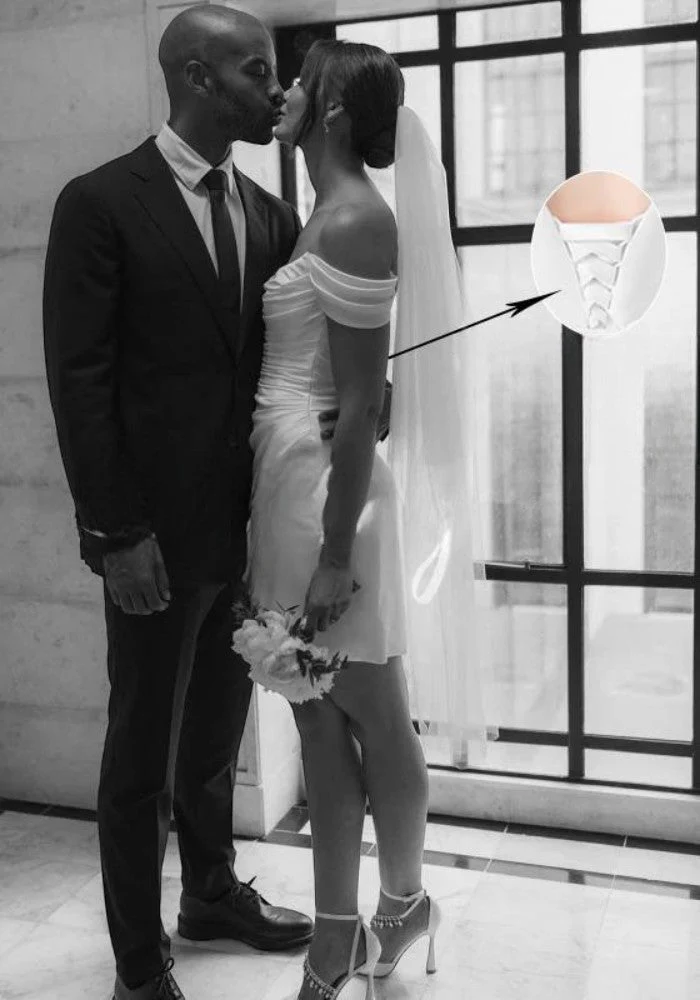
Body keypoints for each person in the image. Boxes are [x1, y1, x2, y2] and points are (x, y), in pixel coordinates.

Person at [42, 7, 318, 999]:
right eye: (258, 70)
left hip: (244, 533)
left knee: (213, 735)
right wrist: (116, 532)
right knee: (142, 753)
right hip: (150, 540)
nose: (275, 91)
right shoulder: (100, 203)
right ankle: (137, 955)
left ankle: (210, 893)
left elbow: (274, 367)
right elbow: (80, 382)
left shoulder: (270, 215)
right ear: (197, 76)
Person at [246, 40, 442, 1000]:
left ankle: (402, 905)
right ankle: (336, 935)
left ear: (330, 110)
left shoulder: (359, 217)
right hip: (289, 484)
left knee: (373, 707)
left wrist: (333, 554)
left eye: (300, 78)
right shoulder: (317, 217)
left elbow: (361, 402)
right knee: (317, 713)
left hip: (335, 502)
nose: (282, 90)